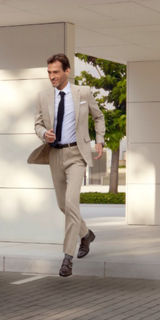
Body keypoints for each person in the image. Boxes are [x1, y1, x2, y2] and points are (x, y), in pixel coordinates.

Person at [33, 53, 105, 277]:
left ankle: (67, 258)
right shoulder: (44, 96)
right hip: (55, 155)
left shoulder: (82, 93)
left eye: (55, 72)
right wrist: (44, 133)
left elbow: (98, 116)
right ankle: (86, 234)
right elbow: (37, 124)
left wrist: (100, 140)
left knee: (71, 202)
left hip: (77, 154)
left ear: (67, 71)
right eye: (49, 73)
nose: (51, 77)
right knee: (63, 206)